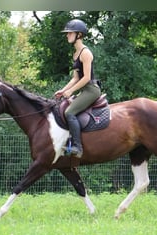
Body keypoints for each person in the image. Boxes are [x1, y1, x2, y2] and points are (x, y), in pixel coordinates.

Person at [55, 19, 101, 158]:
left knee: (69, 112)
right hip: (83, 89)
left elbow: (86, 77)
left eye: (70, 33)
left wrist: (71, 91)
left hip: (91, 90)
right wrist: (63, 90)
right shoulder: (75, 54)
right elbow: (75, 78)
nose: (67, 35)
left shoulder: (86, 53)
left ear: (79, 35)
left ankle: (77, 148)